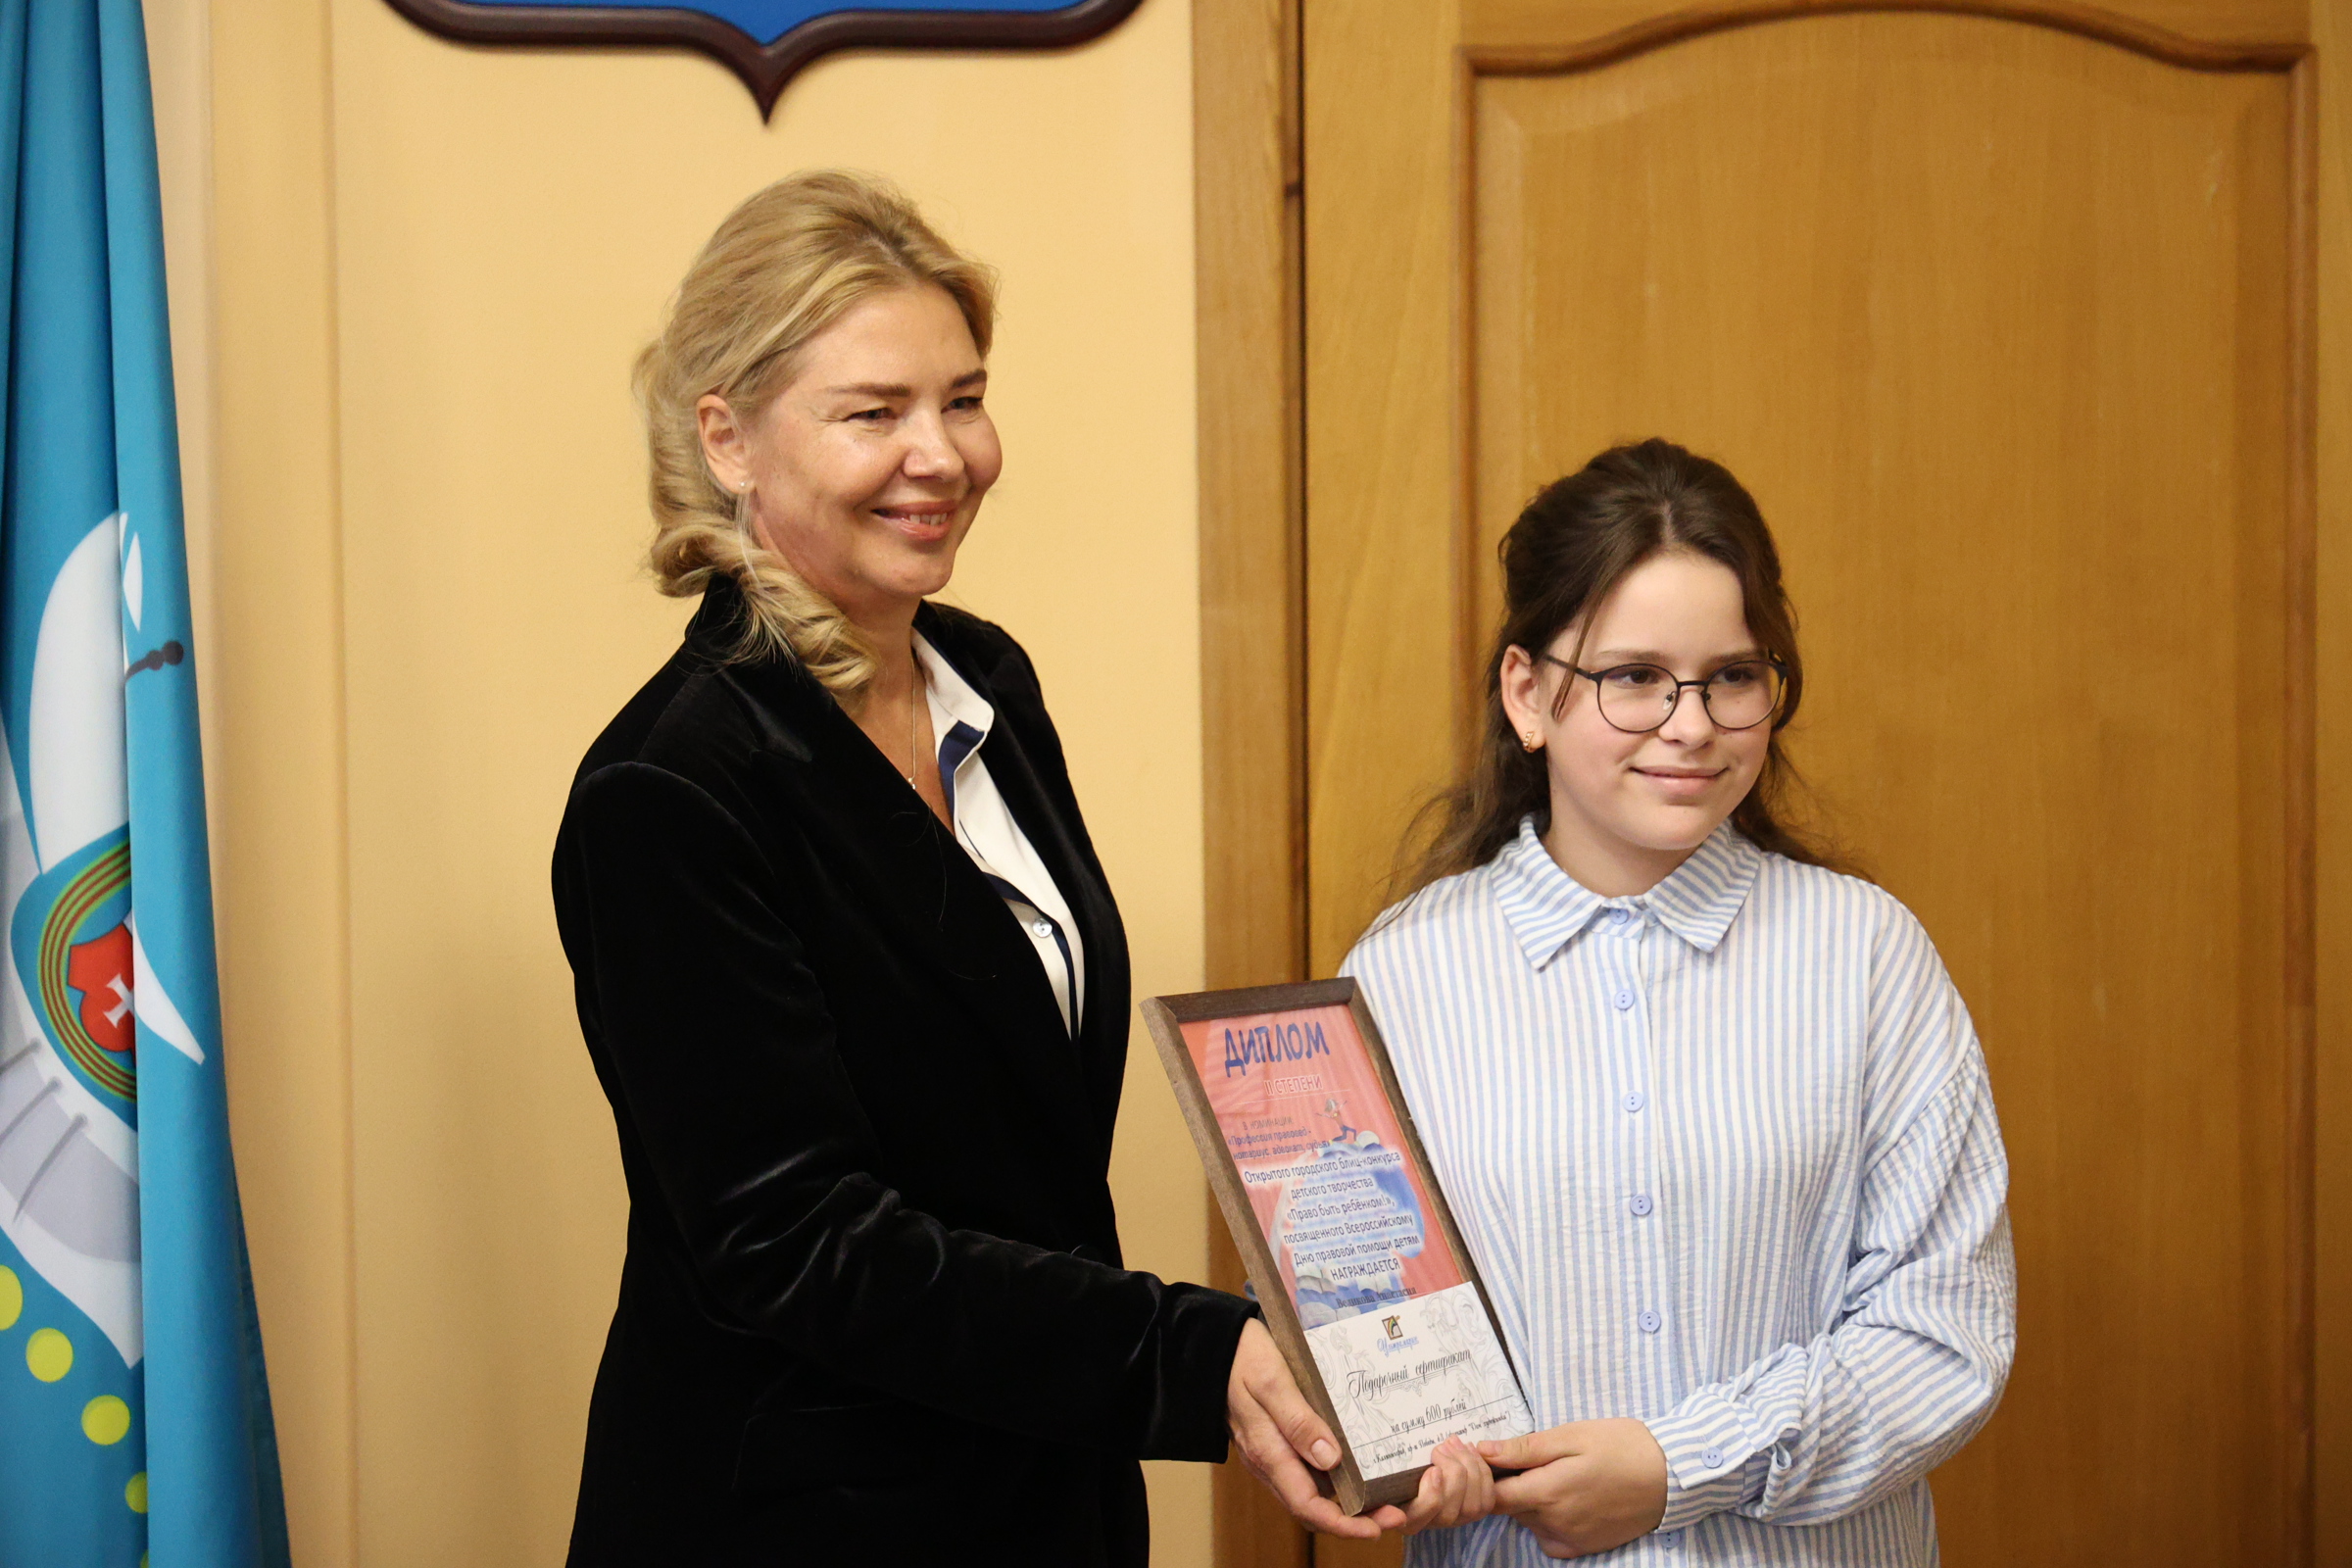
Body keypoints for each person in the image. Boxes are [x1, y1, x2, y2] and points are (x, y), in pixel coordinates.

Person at [551, 171, 1368, 1565]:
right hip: (802, 1522)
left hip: (1041, 1495)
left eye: (964, 399)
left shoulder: (986, 679)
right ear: (728, 438)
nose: (942, 455)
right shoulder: (670, 788)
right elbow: (799, 1243)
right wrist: (1190, 1353)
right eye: (874, 413)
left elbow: (1017, 1132)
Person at [1340, 440, 2017, 1562]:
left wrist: (1680, 1465)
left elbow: (1945, 1332)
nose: (1692, 723)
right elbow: (1358, 1326)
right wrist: (1398, 1446)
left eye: (1733, 676)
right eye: (1634, 676)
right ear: (1527, 693)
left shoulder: (1867, 955)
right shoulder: (1399, 976)